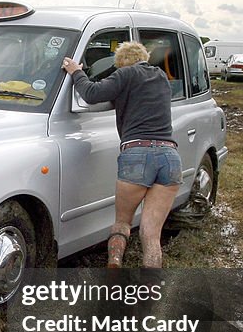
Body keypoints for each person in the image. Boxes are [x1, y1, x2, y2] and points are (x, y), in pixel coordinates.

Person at [62, 41, 180, 269]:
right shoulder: (161, 77)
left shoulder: (125, 74)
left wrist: (76, 71)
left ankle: (114, 263)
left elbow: (91, 93)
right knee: (152, 233)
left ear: (122, 62)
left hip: (137, 154)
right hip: (169, 156)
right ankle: (150, 286)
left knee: (122, 223)